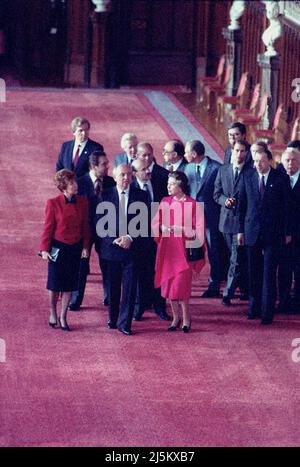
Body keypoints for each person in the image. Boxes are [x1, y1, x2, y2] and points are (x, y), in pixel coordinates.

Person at [237, 148, 291, 325]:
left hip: (273, 234)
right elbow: (241, 206)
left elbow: (287, 208)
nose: (258, 165)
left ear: (270, 161)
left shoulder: (280, 179)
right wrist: (240, 231)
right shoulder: (248, 176)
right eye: (255, 161)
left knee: (268, 274)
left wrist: (287, 232)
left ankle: (267, 312)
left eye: (261, 161)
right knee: (254, 272)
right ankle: (254, 308)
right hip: (252, 232)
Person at [95, 164, 149, 335]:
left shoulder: (142, 196)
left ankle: (125, 323)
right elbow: (98, 223)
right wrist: (115, 240)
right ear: (115, 176)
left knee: (130, 288)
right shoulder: (104, 195)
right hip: (111, 250)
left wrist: (130, 238)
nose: (126, 178)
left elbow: (145, 224)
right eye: (122, 175)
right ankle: (112, 317)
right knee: (112, 287)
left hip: (133, 249)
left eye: (129, 175)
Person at [153, 171, 205, 333]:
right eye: (168, 183)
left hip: (184, 252)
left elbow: (199, 230)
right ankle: (175, 318)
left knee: (181, 287)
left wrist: (180, 229)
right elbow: (156, 223)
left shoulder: (193, 204)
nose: (168, 186)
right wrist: (162, 227)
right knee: (169, 287)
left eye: (171, 184)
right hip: (168, 252)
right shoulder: (164, 201)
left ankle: (187, 318)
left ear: (181, 185)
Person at [39, 170, 90, 331]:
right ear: (63, 187)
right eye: (72, 183)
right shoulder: (52, 203)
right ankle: (53, 311)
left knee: (69, 284)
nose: (76, 185)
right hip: (58, 248)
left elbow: (86, 227)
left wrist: (85, 247)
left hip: (74, 248)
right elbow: (48, 228)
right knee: (55, 284)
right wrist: (44, 249)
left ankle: (63, 316)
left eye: (75, 182)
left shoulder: (83, 202)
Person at [69, 151, 116, 311]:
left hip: (106, 232)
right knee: (81, 266)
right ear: (93, 166)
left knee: (108, 265)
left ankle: (110, 297)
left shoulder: (111, 182)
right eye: (104, 164)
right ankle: (76, 298)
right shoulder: (79, 183)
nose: (107, 167)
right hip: (84, 232)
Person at [131, 158, 171, 321]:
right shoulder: (131, 188)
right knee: (141, 274)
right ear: (134, 173)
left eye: (148, 168)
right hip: (139, 239)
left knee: (159, 272)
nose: (148, 171)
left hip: (159, 238)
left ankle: (160, 307)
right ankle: (140, 307)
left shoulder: (160, 183)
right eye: (143, 169)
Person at [184, 139, 224, 298]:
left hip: (212, 218)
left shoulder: (217, 168)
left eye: (186, 152)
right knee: (192, 251)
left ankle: (214, 285)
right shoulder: (188, 168)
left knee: (214, 252)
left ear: (194, 154)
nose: (185, 155)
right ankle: (187, 284)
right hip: (193, 218)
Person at [214, 140, 249, 306]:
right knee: (233, 257)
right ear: (232, 152)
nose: (239, 154)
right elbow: (216, 194)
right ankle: (243, 288)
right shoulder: (223, 170)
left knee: (235, 258)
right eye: (237, 150)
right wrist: (224, 201)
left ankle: (227, 293)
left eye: (243, 151)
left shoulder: (250, 173)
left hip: (241, 224)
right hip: (225, 222)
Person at [277, 148, 300, 314]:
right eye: (287, 160)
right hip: (283, 235)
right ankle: (283, 301)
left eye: (294, 160)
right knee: (284, 270)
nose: (290, 163)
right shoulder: (278, 179)